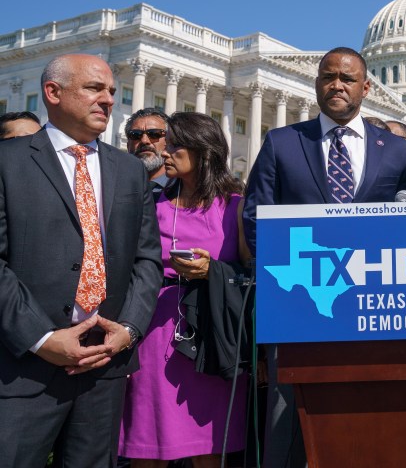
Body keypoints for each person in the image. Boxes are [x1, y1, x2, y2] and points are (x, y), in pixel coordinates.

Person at [243, 46, 406, 468]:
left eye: (346, 77)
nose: (336, 84)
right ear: (316, 82)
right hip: (300, 302)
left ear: (365, 86)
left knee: (365, 417)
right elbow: (255, 217)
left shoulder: (396, 150)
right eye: (327, 76)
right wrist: (302, 277)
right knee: (287, 421)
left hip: (373, 308)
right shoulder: (283, 142)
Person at [0, 54, 163, 467]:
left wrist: (128, 329)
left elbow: (147, 261)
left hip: (104, 366)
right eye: (94, 88)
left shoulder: (129, 170)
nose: (108, 99)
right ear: (53, 93)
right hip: (24, 366)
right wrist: (43, 339)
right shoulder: (9, 162)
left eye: (111, 90)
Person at [119, 112, 250, 467]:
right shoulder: (152, 203)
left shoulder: (235, 206)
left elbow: (252, 273)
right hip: (154, 332)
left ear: (202, 150)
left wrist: (213, 270)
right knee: (148, 446)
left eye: (175, 146)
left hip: (211, 338)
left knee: (209, 449)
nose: (165, 152)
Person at [124, 108, 170, 191]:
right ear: (128, 146)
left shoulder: (184, 189)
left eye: (154, 134)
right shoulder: (114, 187)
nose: (144, 141)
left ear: (169, 142)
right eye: (136, 135)